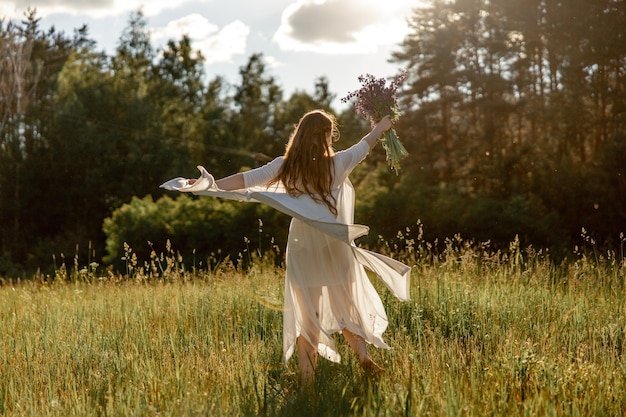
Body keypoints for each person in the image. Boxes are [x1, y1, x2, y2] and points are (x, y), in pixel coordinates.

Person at [163, 110, 410, 384]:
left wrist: (210, 185)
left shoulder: (285, 166)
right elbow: (365, 145)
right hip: (334, 242)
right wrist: (381, 127)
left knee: (309, 315)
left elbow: (245, 180)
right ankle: (363, 356)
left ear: (300, 135)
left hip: (304, 244)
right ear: (328, 135)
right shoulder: (338, 163)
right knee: (346, 304)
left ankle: (307, 381)